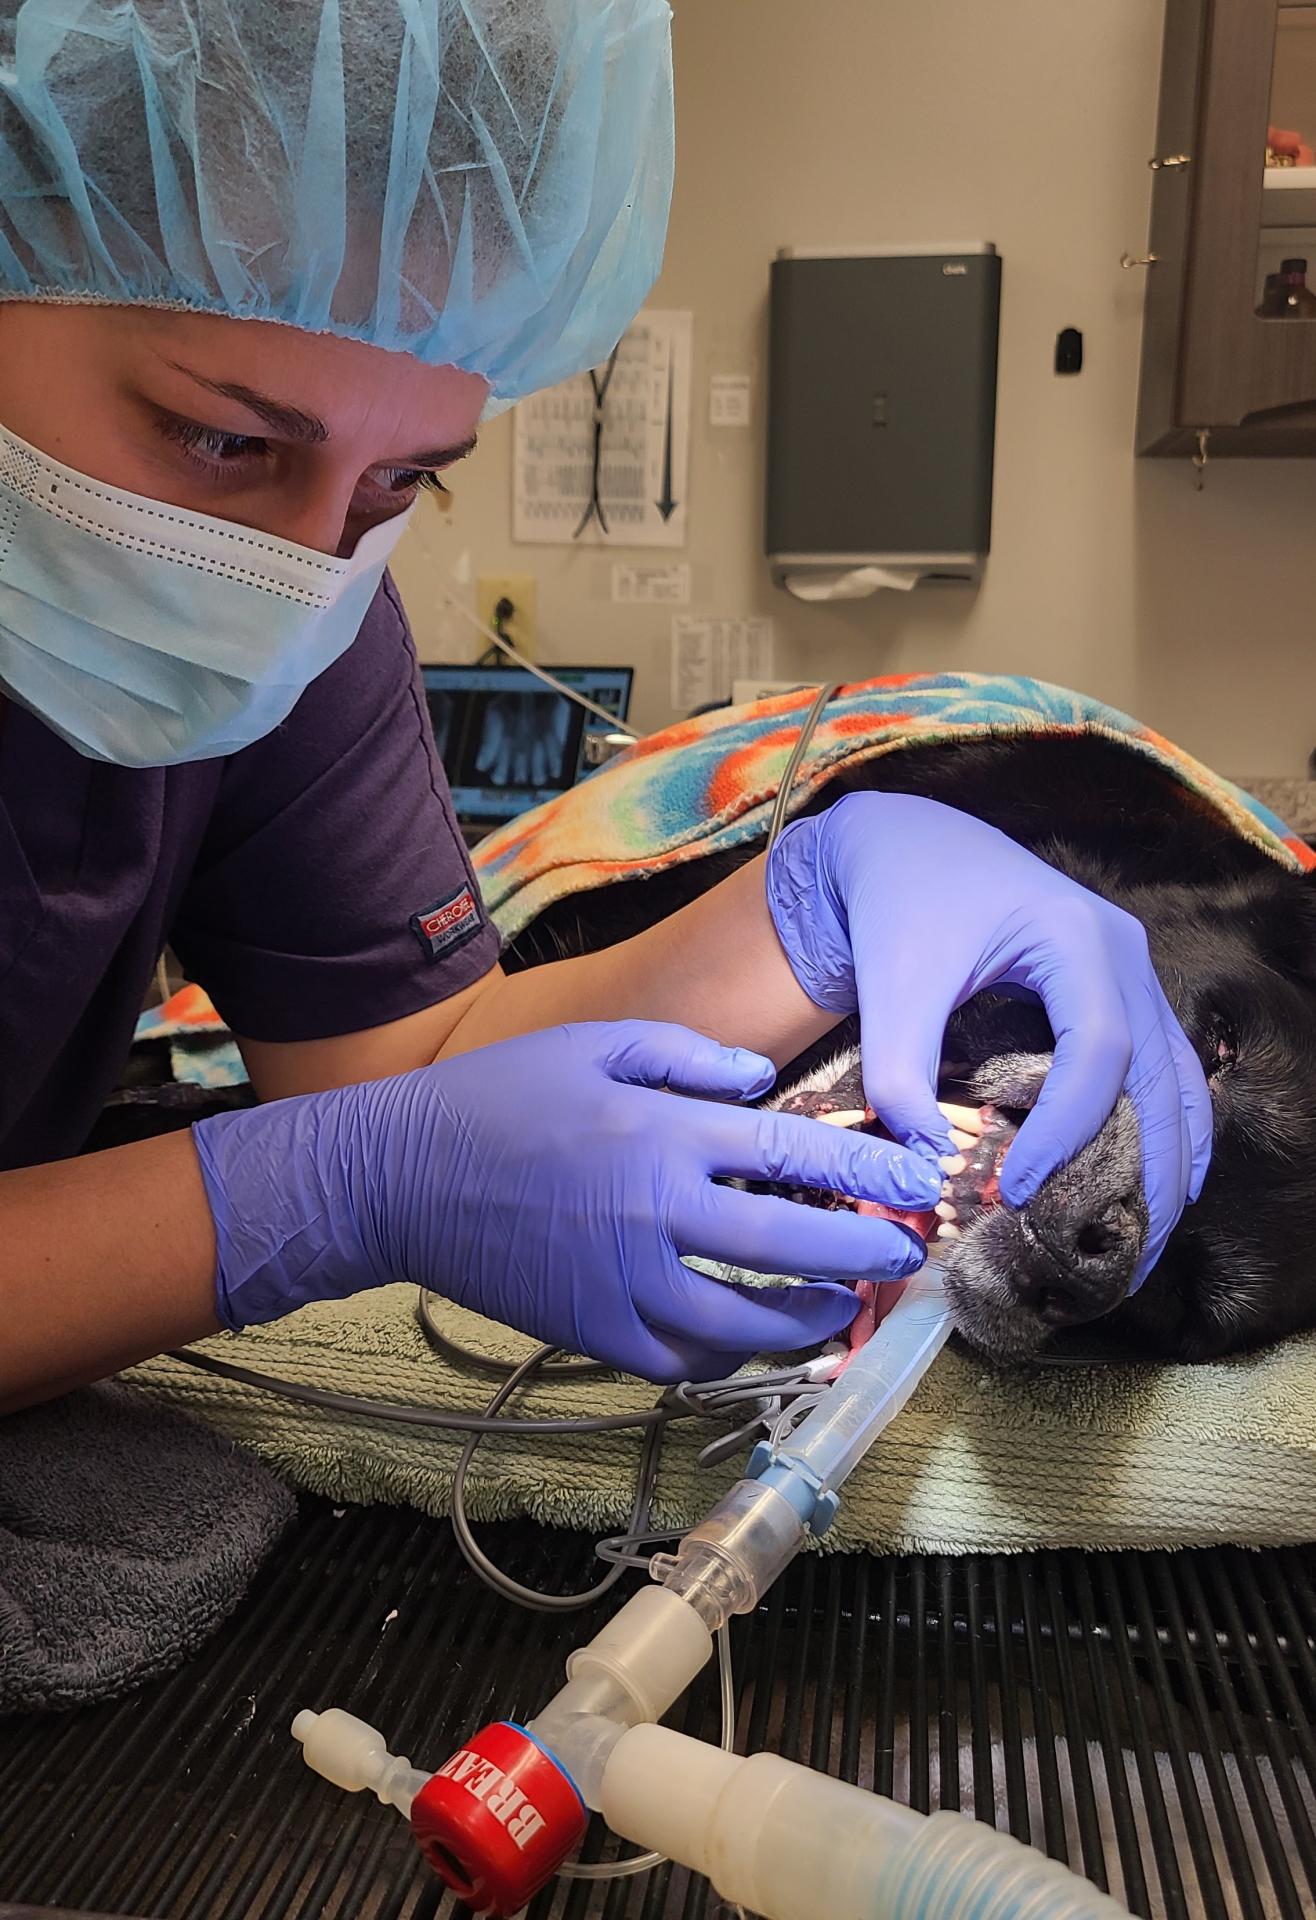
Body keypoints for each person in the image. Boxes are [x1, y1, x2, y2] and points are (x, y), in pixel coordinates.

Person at [0, 0, 1211, 1411]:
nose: (305, 562)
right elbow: (366, 1148)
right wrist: (328, 1194)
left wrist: (800, 921)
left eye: (408, 481)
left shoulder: (310, 618)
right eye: (223, 438)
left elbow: (401, 1077)